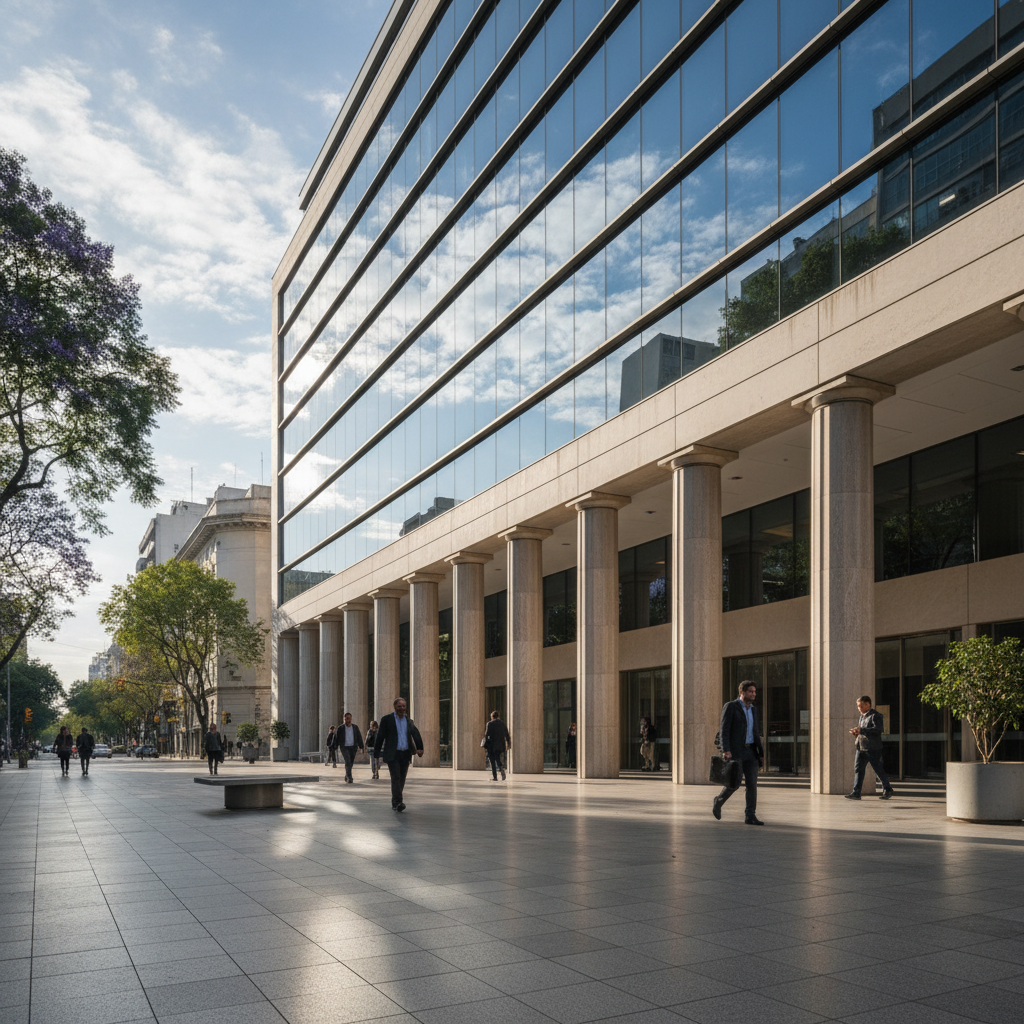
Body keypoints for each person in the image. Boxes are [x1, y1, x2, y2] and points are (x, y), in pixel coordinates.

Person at [713, 681, 764, 825]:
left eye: (754, 692)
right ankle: (719, 800)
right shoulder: (731, 706)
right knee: (734, 783)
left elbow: (755, 732)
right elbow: (724, 730)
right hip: (736, 751)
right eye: (750, 691)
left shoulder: (753, 710)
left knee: (752, 784)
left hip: (751, 751)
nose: (753, 694)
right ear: (742, 692)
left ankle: (750, 815)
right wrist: (726, 750)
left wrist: (760, 753)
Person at [373, 698, 423, 812]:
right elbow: (380, 736)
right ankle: (398, 802)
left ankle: (395, 801)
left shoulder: (408, 721)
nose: (402, 709)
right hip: (393, 754)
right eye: (400, 706)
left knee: (401, 779)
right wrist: (376, 752)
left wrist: (420, 748)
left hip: (405, 753)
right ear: (395, 707)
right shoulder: (387, 720)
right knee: (395, 777)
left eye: (404, 706)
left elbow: (415, 733)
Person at [846, 696, 895, 800]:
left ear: (868, 704)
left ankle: (888, 789)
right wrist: (856, 733)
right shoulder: (862, 717)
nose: (859, 708)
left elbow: (878, 730)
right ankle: (856, 792)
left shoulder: (876, 715)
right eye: (858, 706)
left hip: (872, 748)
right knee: (858, 769)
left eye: (861, 706)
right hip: (861, 746)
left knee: (878, 769)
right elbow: (864, 731)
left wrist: (861, 730)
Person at [483, 710, 511, 781]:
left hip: (491, 745)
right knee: (498, 758)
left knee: (492, 761)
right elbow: (506, 733)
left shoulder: (489, 724)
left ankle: (495, 777)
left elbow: (487, 735)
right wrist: (508, 742)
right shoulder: (502, 723)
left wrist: (485, 744)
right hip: (500, 745)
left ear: (492, 716)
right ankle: (501, 768)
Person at [339, 712, 364, 784]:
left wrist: (361, 746)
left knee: (351, 763)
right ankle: (350, 777)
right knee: (347, 761)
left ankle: (347, 775)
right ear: (344, 719)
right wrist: (334, 746)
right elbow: (336, 738)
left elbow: (359, 737)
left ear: (351, 719)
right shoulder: (340, 728)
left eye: (349, 718)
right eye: (346, 718)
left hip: (353, 747)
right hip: (344, 747)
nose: (348, 720)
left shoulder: (355, 727)